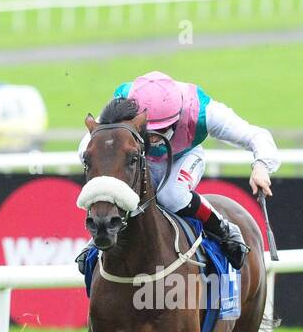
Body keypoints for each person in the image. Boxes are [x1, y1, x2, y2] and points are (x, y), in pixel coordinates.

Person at [77, 70, 279, 270]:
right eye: (149, 130)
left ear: (178, 117)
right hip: (138, 156)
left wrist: (261, 166)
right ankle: (100, 235)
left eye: (163, 130)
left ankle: (223, 228)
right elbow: (91, 143)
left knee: (171, 195)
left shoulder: (204, 112)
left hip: (183, 156)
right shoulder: (124, 102)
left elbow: (257, 136)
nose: (154, 139)